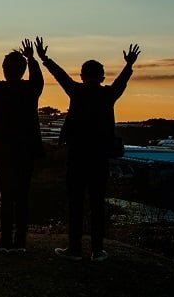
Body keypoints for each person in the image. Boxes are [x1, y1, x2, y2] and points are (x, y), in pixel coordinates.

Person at [36, 38, 141, 262]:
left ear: (82, 75)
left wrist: (45, 59)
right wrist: (129, 64)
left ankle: (74, 248)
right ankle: (97, 249)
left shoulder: (77, 91)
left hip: (76, 155)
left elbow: (60, 75)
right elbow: (121, 82)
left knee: (75, 203)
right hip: (99, 156)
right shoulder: (107, 95)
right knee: (97, 204)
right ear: (102, 77)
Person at [0, 37, 44, 253]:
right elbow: (38, 78)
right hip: (26, 149)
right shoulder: (31, 89)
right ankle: (20, 241)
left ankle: (5, 239)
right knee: (22, 195)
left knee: (5, 195)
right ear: (23, 70)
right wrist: (32, 58)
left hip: (3, 150)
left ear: (4, 69)